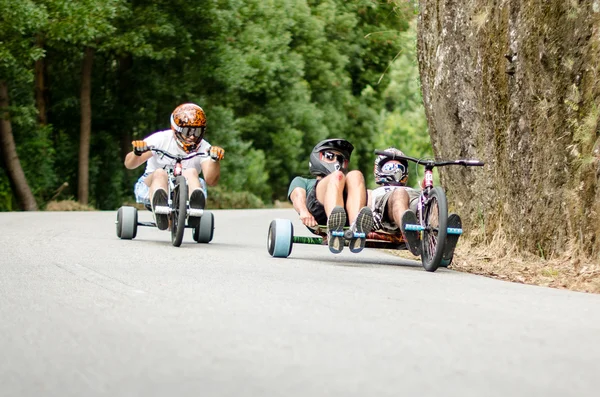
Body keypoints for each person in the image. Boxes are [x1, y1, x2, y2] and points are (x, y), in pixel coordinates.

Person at [124, 103, 225, 230]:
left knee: (191, 172)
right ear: (177, 130)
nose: (192, 136)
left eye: (197, 131)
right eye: (188, 131)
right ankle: (159, 204)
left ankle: (195, 206)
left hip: (187, 186)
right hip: (152, 183)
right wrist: (137, 152)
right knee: (160, 173)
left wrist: (214, 160)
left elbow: (211, 180)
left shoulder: (204, 148)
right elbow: (129, 164)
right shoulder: (161, 139)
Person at [287, 138, 373, 254]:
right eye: (330, 156)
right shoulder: (303, 181)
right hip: (318, 211)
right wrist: (303, 212)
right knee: (337, 176)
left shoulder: (347, 181)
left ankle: (356, 230)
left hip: (347, 215)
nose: (336, 162)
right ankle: (334, 227)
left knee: (356, 174)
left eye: (340, 159)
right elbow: (297, 196)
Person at [369, 147, 422, 255]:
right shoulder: (373, 192)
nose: (396, 171)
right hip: (387, 205)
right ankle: (409, 233)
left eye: (400, 168)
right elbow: (367, 205)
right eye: (390, 167)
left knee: (429, 200)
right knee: (400, 193)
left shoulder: (411, 189)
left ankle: (440, 241)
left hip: (413, 199)